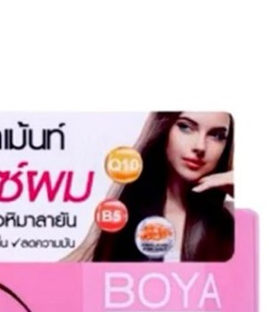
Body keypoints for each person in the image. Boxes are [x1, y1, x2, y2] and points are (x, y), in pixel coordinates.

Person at [69, 111, 234, 263]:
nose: (200, 146)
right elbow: (63, 273)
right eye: (185, 127)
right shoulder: (126, 208)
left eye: (217, 135)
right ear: (163, 128)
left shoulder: (232, 218)